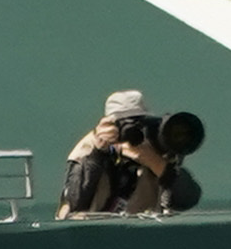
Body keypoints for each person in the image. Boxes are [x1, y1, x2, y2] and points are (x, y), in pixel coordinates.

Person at [58, 87, 205, 217]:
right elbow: (75, 204)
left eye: (139, 123)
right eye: (123, 124)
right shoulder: (89, 148)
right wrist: (98, 153)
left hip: (138, 236)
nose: (131, 132)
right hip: (95, 235)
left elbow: (187, 199)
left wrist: (155, 163)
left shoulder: (155, 148)